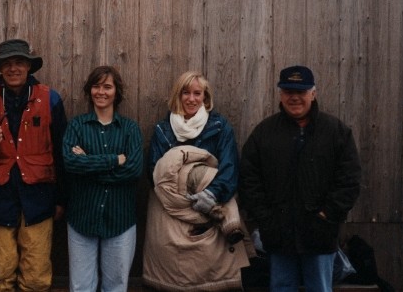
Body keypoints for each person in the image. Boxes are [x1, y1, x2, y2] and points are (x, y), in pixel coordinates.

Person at [239, 65, 362, 292]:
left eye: (302, 91)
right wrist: (266, 219)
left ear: (313, 94)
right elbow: (248, 178)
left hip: (320, 235)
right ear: (280, 94)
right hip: (278, 236)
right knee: (281, 287)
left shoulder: (336, 132)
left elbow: (349, 180)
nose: (294, 97)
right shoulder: (264, 133)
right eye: (288, 91)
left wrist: (327, 214)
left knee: (320, 288)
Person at [0, 38, 67, 292]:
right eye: (7, 63)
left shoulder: (50, 99)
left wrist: (61, 199)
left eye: (19, 62)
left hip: (39, 198)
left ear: (29, 67)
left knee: (36, 276)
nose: (13, 68)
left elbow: (62, 152)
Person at [142, 71, 252, 291]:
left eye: (197, 93)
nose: (191, 98)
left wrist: (211, 194)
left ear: (205, 97)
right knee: (172, 275)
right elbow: (156, 171)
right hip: (169, 209)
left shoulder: (220, 127)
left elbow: (229, 168)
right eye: (186, 93)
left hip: (210, 207)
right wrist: (181, 193)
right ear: (178, 95)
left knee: (209, 276)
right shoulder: (163, 130)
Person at [62, 66, 143, 292]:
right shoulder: (77, 126)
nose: (101, 92)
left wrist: (88, 162)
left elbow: (133, 170)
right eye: (96, 86)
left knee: (116, 285)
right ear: (89, 91)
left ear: (116, 92)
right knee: (80, 286)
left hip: (120, 218)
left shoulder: (130, 129)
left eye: (107, 86)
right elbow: (71, 163)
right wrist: (113, 160)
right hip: (82, 217)